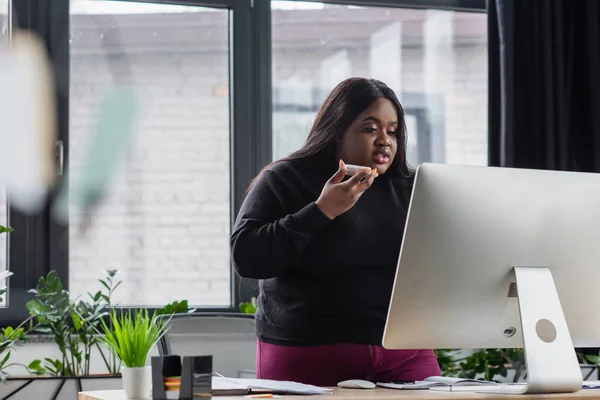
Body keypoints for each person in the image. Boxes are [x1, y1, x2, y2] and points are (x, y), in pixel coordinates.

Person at [230, 77, 441, 386]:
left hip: (405, 353)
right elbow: (247, 259)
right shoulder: (285, 179)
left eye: (392, 131)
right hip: (308, 350)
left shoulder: (411, 188)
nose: (385, 140)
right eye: (370, 129)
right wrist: (321, 210)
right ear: (336, 130)